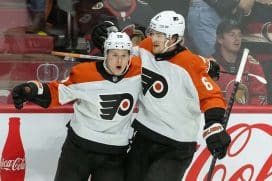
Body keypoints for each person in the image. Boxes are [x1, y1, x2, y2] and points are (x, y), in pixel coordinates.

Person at [92, 10, 231, 181]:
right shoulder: (147, 47)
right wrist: (107, 40)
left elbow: (212, 96)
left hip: (175, 147)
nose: (153, 38)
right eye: (153, 32)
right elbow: (124, 58)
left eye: (160, 35)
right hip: (144, 137)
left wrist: (214, 125)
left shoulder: (191, 65)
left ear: (174, 39)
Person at [12, 32, 142, 181]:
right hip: (79, 150)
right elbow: (57, 92)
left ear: (130, 56)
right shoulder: (85, 74)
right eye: (114, 55)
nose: (119, 60)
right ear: (105, 54)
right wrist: (31, 89)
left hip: (114, 155)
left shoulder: (138, 71)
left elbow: (154, 54)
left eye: (124, 55)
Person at [210, 20, 267, 105]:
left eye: (239, 35)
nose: (237, 39)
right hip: (219, 116)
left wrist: (247, 115)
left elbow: (260, 97)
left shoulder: (252, 65)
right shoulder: (208, 66)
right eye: (232, 35)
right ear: (220, 39)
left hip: (247, 117)